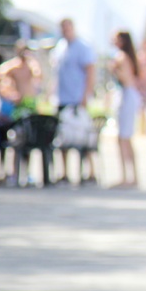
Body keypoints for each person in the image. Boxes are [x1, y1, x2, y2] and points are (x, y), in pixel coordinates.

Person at [54, 18, 98, 184]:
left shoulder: (82, 47)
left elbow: (90, 72)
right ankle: (64, 172)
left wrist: (86, 96)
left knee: (82, 137)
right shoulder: (60, 47)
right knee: (63, 137)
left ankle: (91, 171)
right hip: (62, 98)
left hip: (77, 99)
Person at [109, 30, 142, 188]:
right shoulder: (127, 56)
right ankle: (131, 176)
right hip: (128, 95)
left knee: (124, 137)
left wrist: (114, 69)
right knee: (125, 138)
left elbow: (127, 78)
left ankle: (127, 177)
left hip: (127, 96)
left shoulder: (121, 57)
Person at [0, 39, 43, 118]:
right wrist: (9, 88)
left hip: (30, 99)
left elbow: (38, 74)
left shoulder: (31, 64)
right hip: (19, 100)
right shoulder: (14, 65)